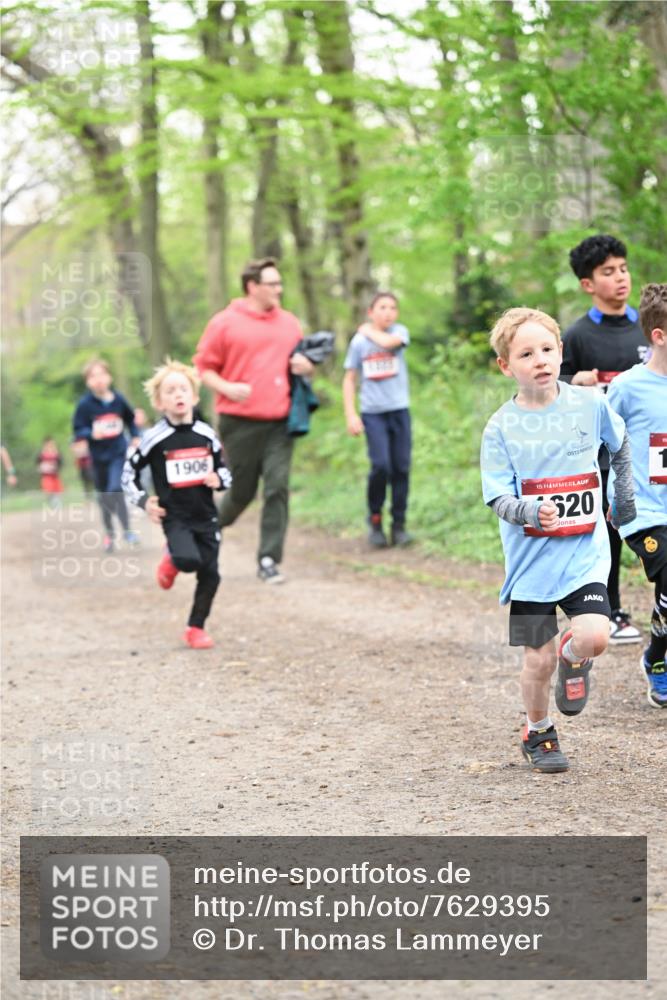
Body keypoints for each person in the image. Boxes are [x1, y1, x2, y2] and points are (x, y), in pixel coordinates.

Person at [481, 307, 635, 773]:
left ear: (561, 352)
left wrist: (621, 497)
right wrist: (530, 510)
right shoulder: (500, 428)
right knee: (535, 660)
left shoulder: (588, 403)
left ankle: (576, 658)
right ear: (507, 366)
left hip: (584, 553)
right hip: (530, 565)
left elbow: (620, 444)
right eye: (526, 354)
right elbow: (496, 497)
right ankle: (538, 730)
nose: (540, 360)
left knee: (595, 637)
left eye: (547, 349)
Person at [194, 257, 313, 584]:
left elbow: (300, 364)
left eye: (279, 283)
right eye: (272, 284)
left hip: (280, 421)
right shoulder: (224, 323)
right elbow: (203, 368)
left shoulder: (289, 323)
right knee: (242, 493)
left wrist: (305, 367)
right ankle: (207, 528)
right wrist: (227, 388)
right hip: (239, 422)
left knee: (277, 487)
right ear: (252, 287)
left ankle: (268, 560)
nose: (279, 289)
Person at [560, 234, 648, 645]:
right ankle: (610, 610)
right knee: (609, 531)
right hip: (601, 454)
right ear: (588, 284)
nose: (620, 277)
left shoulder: (652, 327)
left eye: (623, 268)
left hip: (653, 449)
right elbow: (549, 389)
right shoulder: (576, 336)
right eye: (608, 272)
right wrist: (573, 381)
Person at [122, 359, 232, 649]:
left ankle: (195, 628)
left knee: (211, 574)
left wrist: (217, 479)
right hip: (176, 516)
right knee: (188, 561)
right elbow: (127, 475)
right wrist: (145, 501)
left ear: (194, 397)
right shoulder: (153, 439)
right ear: (160, 402)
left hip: (206, 515)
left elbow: (225, 471)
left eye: (183, 389)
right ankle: (172, 555)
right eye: (170, 391)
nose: (178, 395)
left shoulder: (207, 434)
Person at [607, 284, 667, 708]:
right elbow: (600, 442)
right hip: (641, 510)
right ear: (658, 336)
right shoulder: (628, 387)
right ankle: (660, 665)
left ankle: (656, 654)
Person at [343, 291, 413, 547]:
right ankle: (375, 521)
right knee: (381, 466)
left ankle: (399, 525)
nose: (388, 312)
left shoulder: (399, 332)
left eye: (392, 308)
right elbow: (349, 378)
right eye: (382, 307)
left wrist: (367, 330)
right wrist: (351, 414)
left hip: (399, 410)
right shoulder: (358, 343)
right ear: (370, 311)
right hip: (373, 413)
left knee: (401, 468)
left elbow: (392, 344)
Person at [72, 359, 140, 553]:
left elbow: (130, 419)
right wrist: (90, 434)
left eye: (102, 375)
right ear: (87, 382)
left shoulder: (118, 399)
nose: (98, 380)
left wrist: (134, 435)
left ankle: (127, 531)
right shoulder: (85, 405)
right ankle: (110, 534)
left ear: (109, 377)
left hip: (118, 452)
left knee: (115, 489)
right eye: (93, 376)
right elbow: (78, 429)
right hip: (98, 457)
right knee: (104, 496)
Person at [37, 437, 64, 508]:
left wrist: (55, 466)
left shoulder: (56, 453)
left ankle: (57, 504)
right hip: (46, 476)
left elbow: (60, 463)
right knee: (49, 491)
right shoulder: (41, 454)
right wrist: (42, 468)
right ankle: (52, 503)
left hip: (55, 475)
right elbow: (38, 464)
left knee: (57, 490)